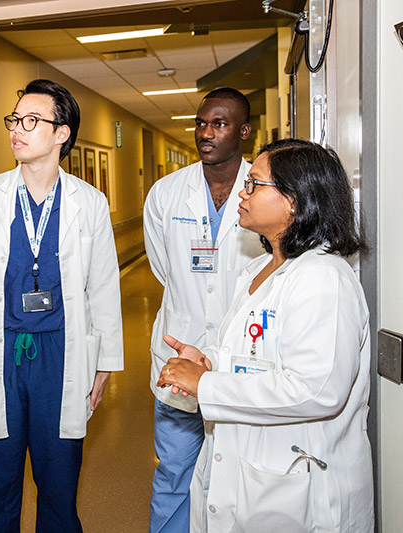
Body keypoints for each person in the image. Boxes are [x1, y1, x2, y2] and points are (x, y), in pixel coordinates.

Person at [157, 139, 374, 531]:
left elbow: (318, 389)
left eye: (254, 184)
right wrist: (210, 361)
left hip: (298, 486)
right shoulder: (260, 270)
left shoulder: (323, 280)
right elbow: (254, 354)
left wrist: (207, 385)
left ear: (294, 200)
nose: (242, 191)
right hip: (243, 469)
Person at [0, 79, 123, 532]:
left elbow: (103, 288)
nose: (16, 130)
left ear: (62, 133)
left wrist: (103, 367)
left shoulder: (90, 203)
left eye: (31, 121)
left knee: (59, 483)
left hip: (63, 355)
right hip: (0, 353)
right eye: (14, 120)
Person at [143, 87, 262, 532]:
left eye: (219, 124)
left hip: (240, 363)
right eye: (200, 123)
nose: (205, 133)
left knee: (237, 478)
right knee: (174, 471)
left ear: (244, 131)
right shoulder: (166, 193)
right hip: (179, 355)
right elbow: (164, 267)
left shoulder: (266, 191)